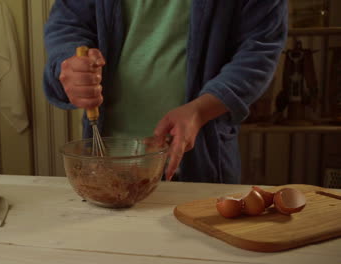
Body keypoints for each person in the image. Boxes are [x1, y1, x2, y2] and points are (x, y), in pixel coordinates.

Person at [43, 0, 288, 183]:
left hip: (198, 168)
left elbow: (259, 51)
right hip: (105, 165)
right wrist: (72, 65)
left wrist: (200, 110)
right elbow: (68, 24)